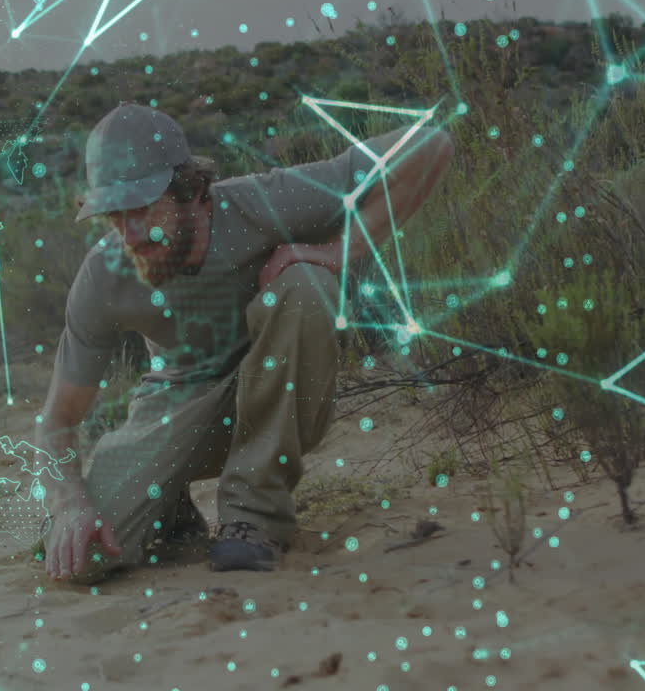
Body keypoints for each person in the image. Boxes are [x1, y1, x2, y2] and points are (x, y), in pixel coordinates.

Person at [35, 103, 455, 584]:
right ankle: (169, 508)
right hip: (177, 407)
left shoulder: (264, 203)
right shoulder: (102, 276)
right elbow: (57, 419)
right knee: (84, 559)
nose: (130, 233)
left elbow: (431, 143)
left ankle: (254, 517)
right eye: (114, 215)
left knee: (304, 284)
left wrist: (336, 253)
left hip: (279, 393)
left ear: (191, 191)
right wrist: (68, 505)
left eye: (143, 208)